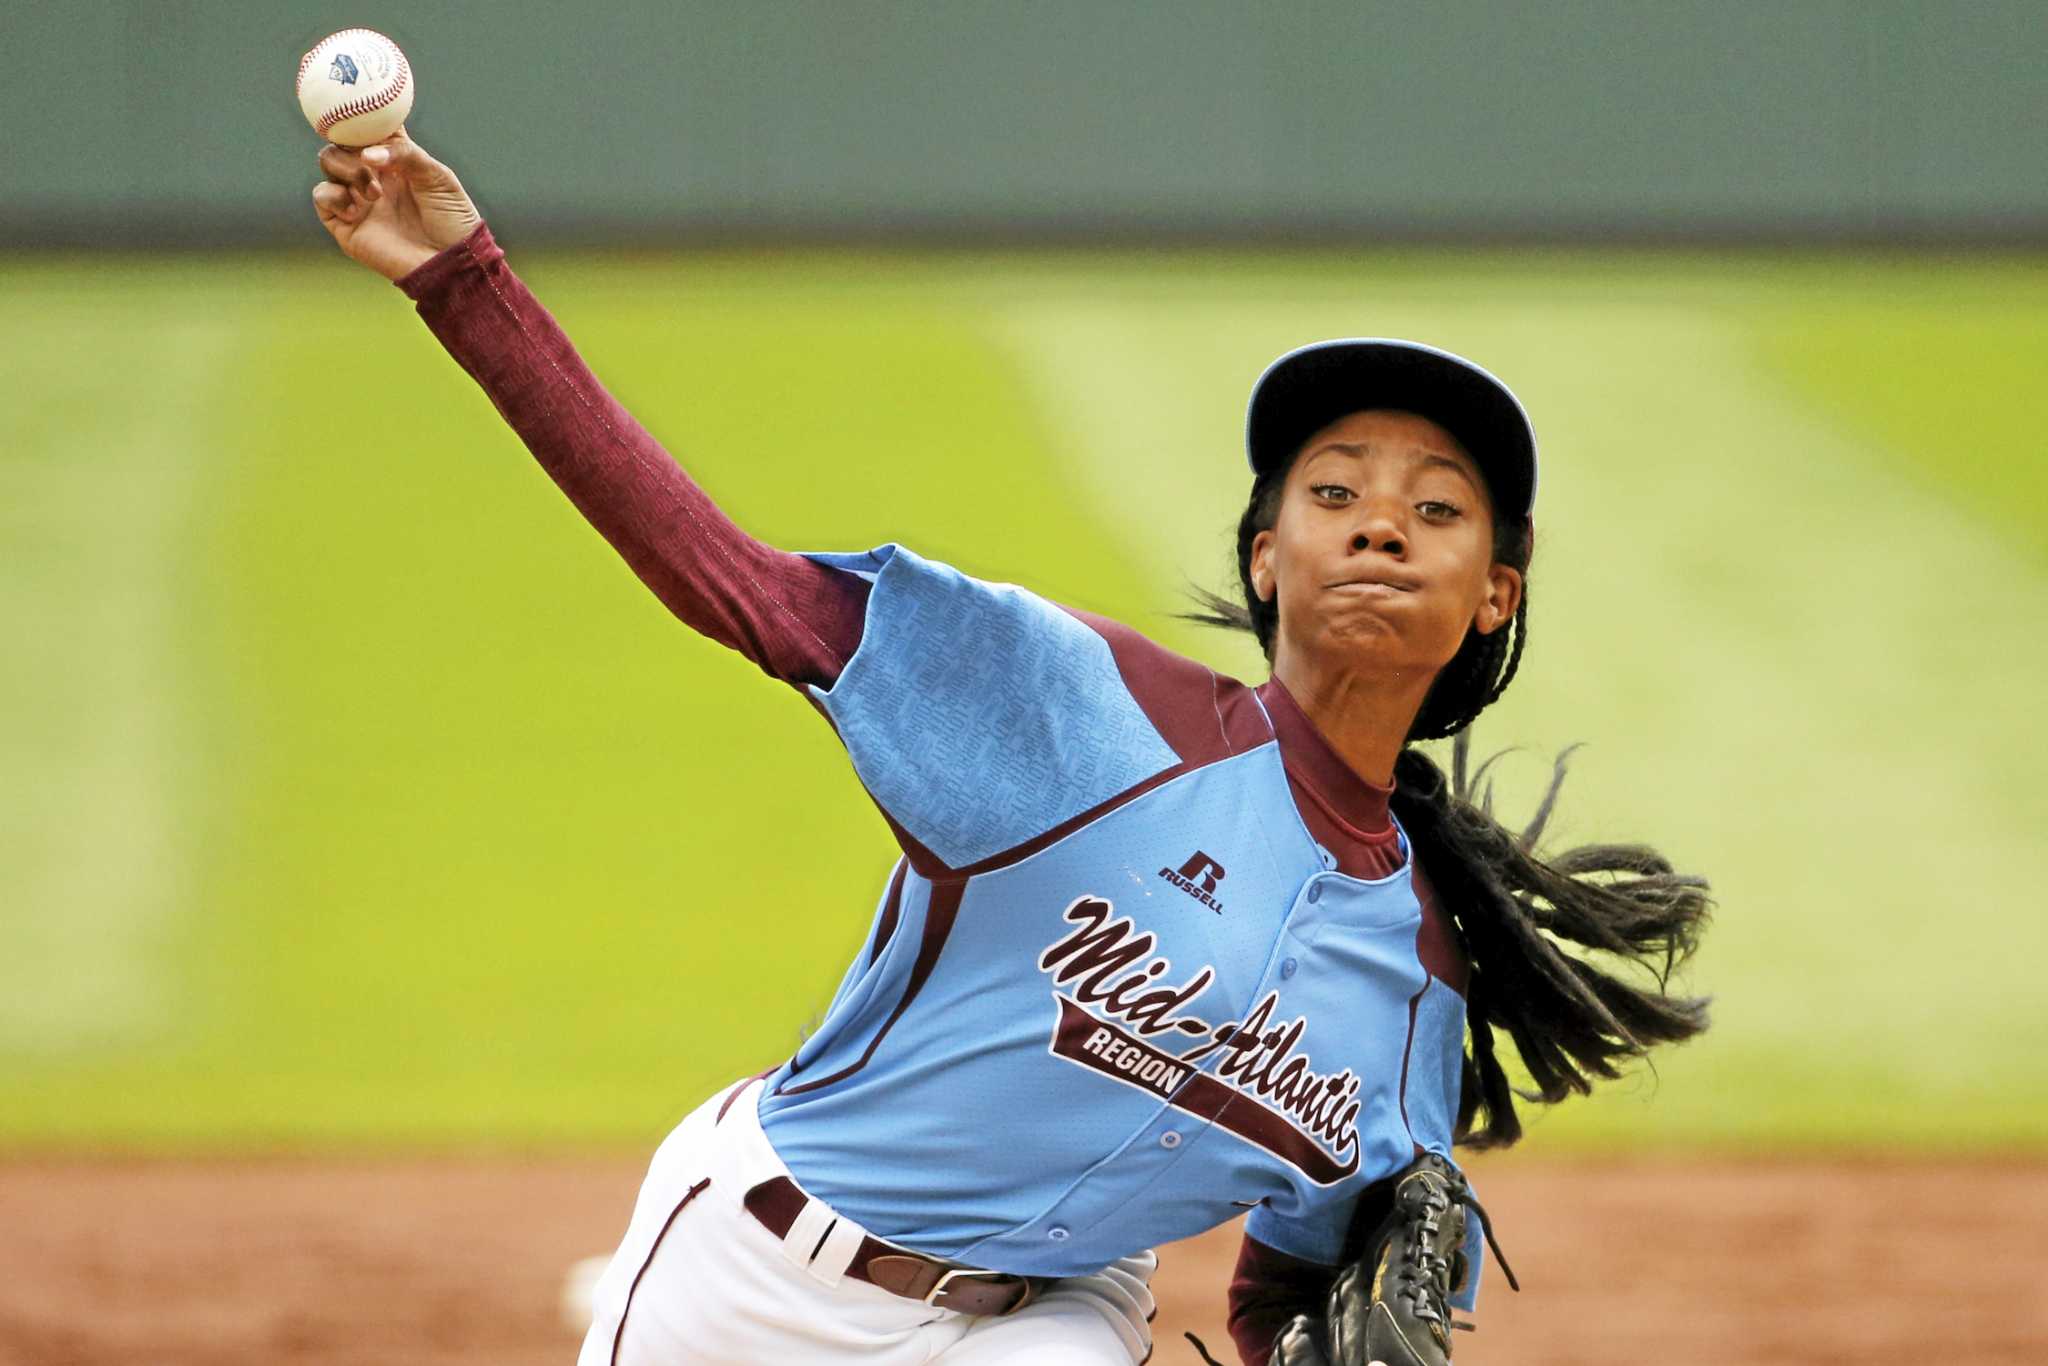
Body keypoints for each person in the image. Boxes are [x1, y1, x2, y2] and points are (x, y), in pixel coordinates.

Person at [311, 132, 1710, 1366]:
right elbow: (725, 579)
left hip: (1050, 1323)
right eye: (1334, 492)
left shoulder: (1411, 989)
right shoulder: (1083, 710)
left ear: (1496, 593)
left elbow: (1292, 1287)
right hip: (747, 1275)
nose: (1382, 524)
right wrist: (463, 282)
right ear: (1266, 557)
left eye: (1439, 509)